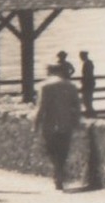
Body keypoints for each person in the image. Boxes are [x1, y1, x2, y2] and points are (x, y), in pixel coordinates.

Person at [34, 62, 82, 190]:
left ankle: (57, 173)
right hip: (66, 123)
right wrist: (77, 122)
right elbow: (76, 107)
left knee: (51, 150)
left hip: (50, 124)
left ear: (49, 72)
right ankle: (60, 173)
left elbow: (41, 108)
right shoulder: (71, 86)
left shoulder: (44, 86)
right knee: (63, 150)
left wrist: (36, 124)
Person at [78, 50, 96, 117]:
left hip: (88, 84)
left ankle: (91, 115)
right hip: (89, 83)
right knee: (87, 101)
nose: (80, 58)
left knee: (87, 101)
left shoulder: (87, 63)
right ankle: (90, 114)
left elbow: (87, 75)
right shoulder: (88, 63)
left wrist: (84, 81)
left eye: (81, 56)